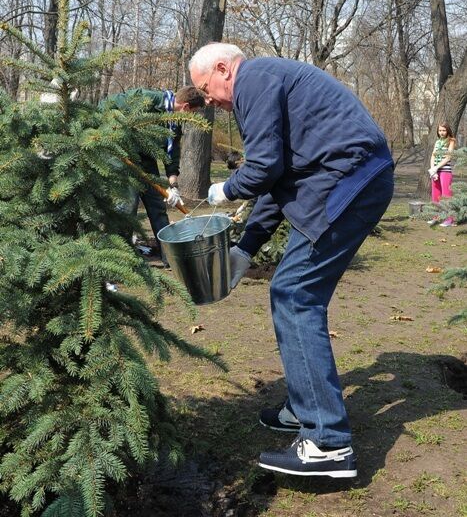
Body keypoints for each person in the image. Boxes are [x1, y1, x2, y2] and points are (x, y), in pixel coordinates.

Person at [189, 43, 394, 478]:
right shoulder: (264, 83)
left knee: (295, 294)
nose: (209, 101)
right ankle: (306, 409)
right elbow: (279, 181)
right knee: (291, 291)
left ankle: (326, 443)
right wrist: (246, 248)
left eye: (206, 89)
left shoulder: (255, 81)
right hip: (343, 179)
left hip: (350, 179)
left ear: (224, 68)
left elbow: (262, 169)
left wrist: (225, 190)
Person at [103, 85, 205, 264]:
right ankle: (119, 260)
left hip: (147, 162)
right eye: (193, 114)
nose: (191, 118)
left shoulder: (174, 122)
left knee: (157, 206)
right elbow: (108, 105)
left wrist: (173, 186)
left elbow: (171, 155)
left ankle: (170, 257)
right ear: (186, 107)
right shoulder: (146, 98)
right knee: (128, 206)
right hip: (123, 157)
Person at [428, 122, 456, 227]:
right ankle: (436, 217)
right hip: (436, 172)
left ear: (447, 131)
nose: (442, 132)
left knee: (446, 196)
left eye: (444, 130)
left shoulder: (451, 141)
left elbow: (448, 157)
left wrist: (436, 167)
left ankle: (450, 219)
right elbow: (433, 156)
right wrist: (433, 169)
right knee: (435, 195)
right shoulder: (437, 142)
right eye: (440, 130)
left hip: (445, 172)